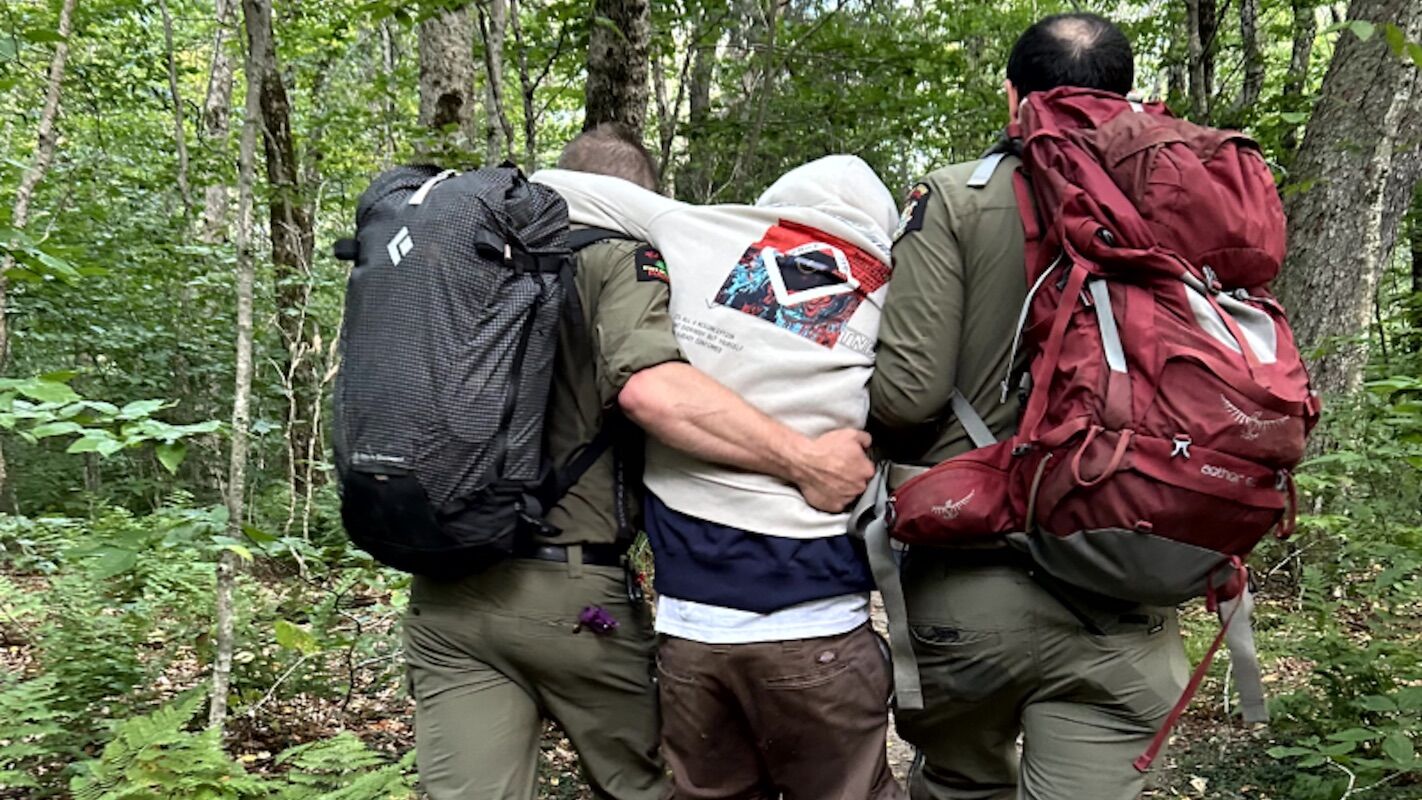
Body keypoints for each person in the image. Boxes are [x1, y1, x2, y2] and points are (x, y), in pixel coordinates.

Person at [402, 124, 876, 800]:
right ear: (635, 197)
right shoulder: (614, 256)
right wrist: (805, 460)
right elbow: (653, 392)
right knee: (658, 787)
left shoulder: (461, 262)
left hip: (444, 592)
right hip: (570, 594)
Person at [869, 14, 1190, 800]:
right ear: (1128, 96)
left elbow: (908, 397)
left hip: (975, 581)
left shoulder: (956, 197)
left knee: (961, 782)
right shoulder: (1186, 201)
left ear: (1013, 96)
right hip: (1131, 574)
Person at [534, 154, 904, 800]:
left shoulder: (691, 230)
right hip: (819, 626)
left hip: (692, 630)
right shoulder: (892, 292)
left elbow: (550, 188)